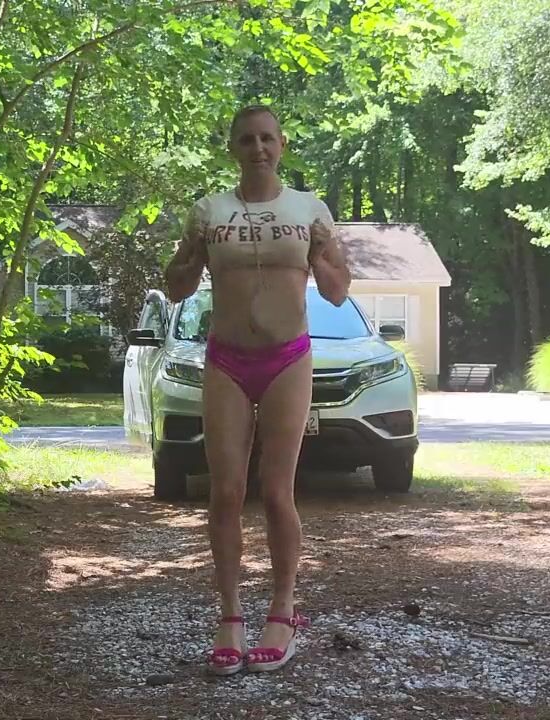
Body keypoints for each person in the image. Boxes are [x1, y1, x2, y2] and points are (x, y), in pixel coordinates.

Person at [163, 105, 351, 675]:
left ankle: (283, 610)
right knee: (225, 492)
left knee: (275, 491)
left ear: (282, 144)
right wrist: (189, 253)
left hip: (288, 358)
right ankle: (229, 617)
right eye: (247, 139)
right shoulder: (210, 210)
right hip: (226, 360)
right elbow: (176, 288)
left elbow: (337, 291)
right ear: (233, 148)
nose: (258, 148)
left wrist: (320, 253)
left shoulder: (308, 209)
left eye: (267, 138)